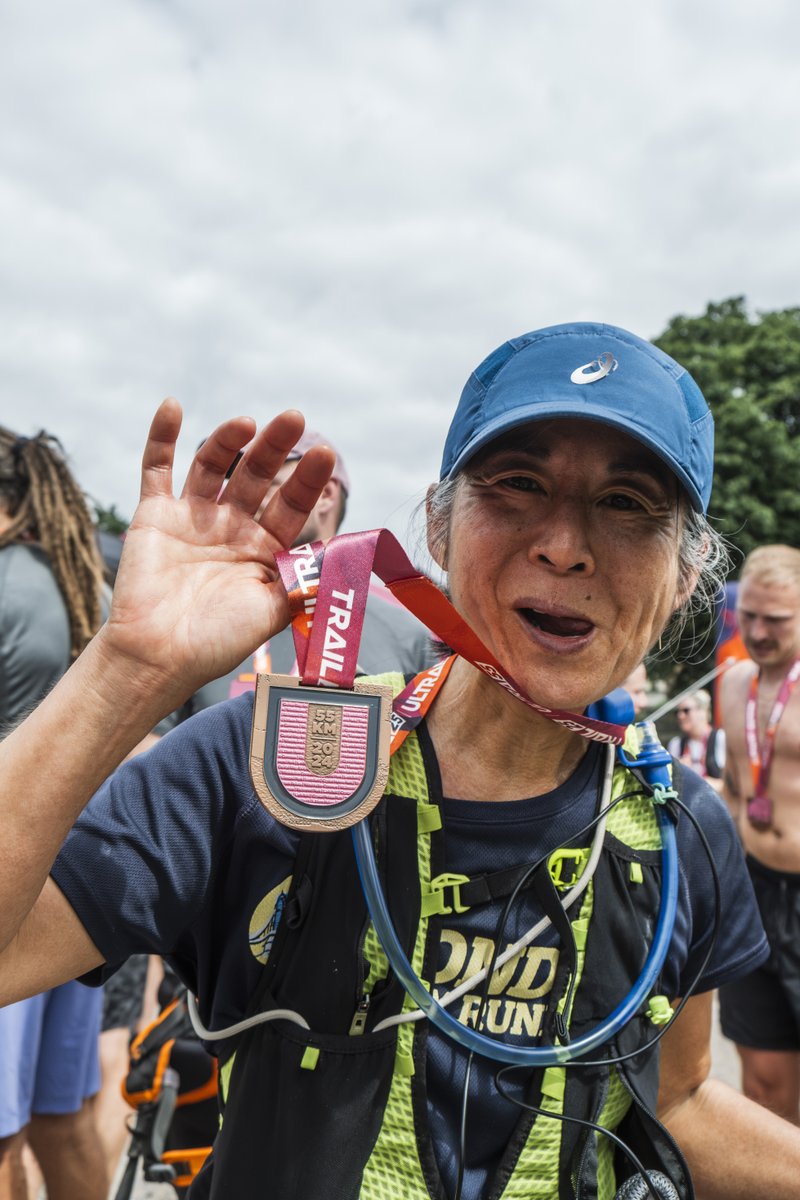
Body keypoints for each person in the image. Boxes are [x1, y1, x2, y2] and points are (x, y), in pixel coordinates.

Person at [0, 324, 799, 1200]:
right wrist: (129, 670)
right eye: (519, 485)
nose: (565, 544)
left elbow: (675, 1099)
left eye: (629, 505)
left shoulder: (680, 823)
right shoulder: (277, 761)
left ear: (686, 576)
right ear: (440, 528)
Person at [156, 427, 434, 731]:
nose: (240, 498)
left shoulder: (410, 631)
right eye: (236, 484)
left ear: (325, 495)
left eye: (264, 482)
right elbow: (142, 746)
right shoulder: (201, 615)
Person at [0, 427, 108, 1200]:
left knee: (4, 1132)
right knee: (57, 1118)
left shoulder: (6, 587)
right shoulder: (84, 587)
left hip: (11, 877)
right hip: (81, 877)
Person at [718, 544, 800, 1124]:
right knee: (764, 1086)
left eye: (777, 619)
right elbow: (731, 785)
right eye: (749, 615)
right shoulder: (734, 682)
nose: (759, 630)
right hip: (752, 891)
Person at [666, 690, 725, 791]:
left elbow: (730, 783)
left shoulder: (721, 738)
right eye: (677, 712)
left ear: (703, 711)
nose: (680, 716)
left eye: (686, 710)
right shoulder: (676, 744)